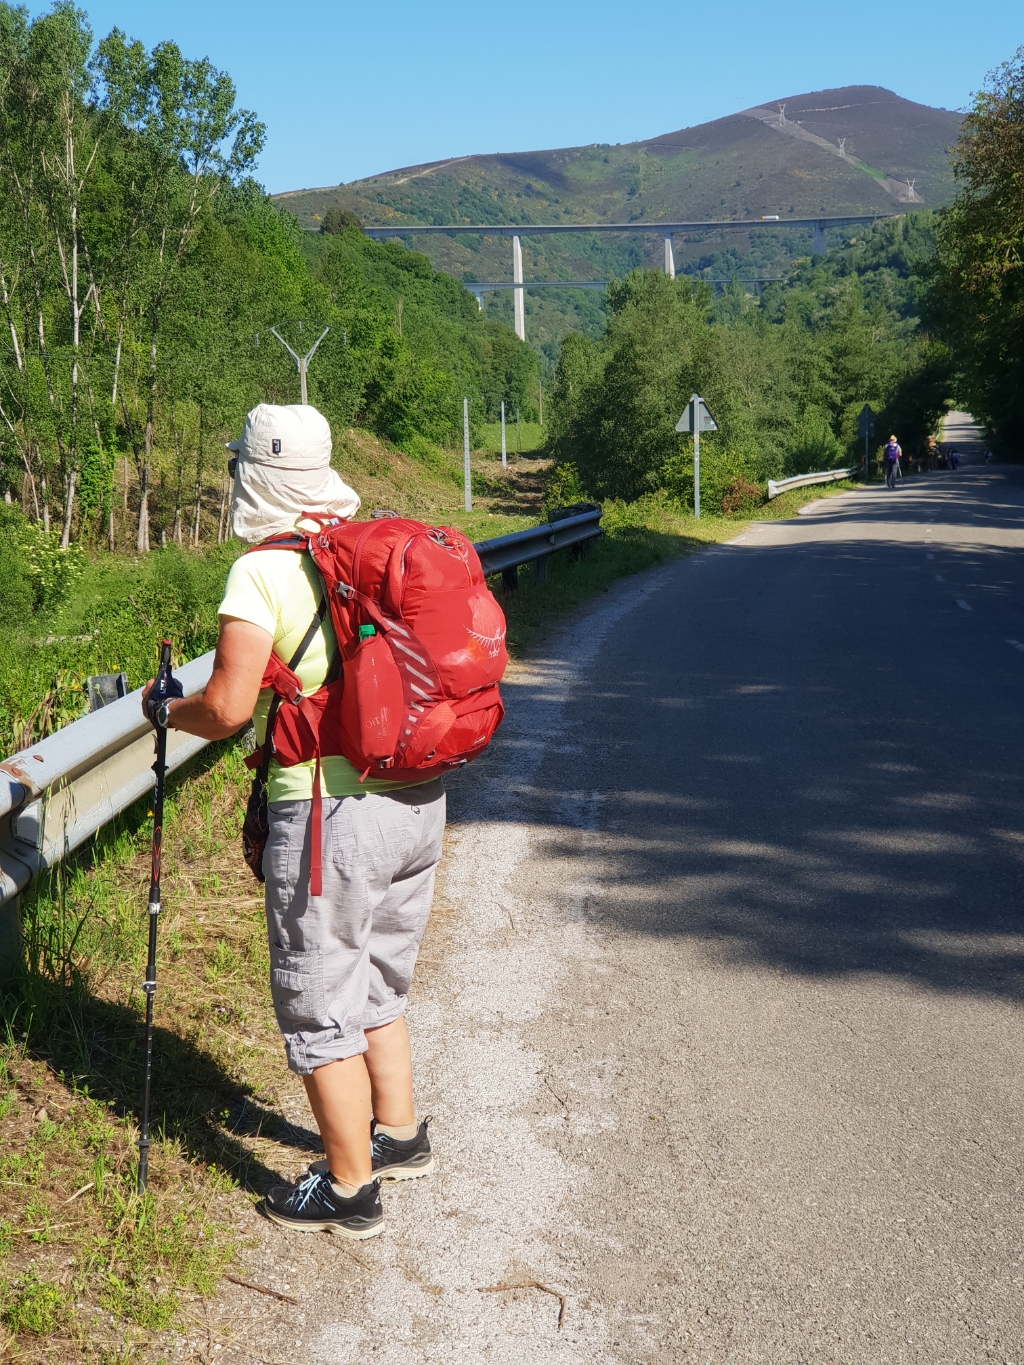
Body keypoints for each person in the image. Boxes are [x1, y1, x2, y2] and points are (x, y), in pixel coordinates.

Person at [142, 403, 444, 1241]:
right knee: (380, 979)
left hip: (331, 812)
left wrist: (163, 708)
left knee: (319, 996)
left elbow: (228, 707)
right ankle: (399, 1134)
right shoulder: (371, 548)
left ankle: (349, 1188)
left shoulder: (262, 571)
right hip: (416, 795)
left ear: (255, 477)